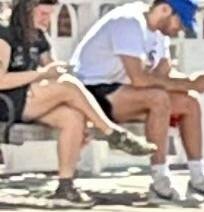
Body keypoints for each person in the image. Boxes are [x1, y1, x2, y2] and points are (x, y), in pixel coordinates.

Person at [69, 0, 204, 203]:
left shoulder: (160, 33)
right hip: (90, 94)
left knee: (190, 102)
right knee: (158, 98)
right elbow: (139, 79)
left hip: (123, 92)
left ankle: (199, 178)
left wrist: (195, 81)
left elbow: (164, 76)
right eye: (180, 23)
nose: (181, 30)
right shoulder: (129, 22)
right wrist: (190, 83)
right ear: (165, 9)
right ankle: (160, 180)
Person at [4, 0, 148, 201]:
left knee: (72, 117)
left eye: (50, 15)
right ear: (27, 11)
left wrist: (56, 71)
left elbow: (52, 71)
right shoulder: (5, 35)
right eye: (43, 14)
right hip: (7, 102)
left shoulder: (40, 37)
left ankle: (66, 185)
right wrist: (41, 75)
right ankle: (111, 133)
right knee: (67, 85)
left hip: (32, 100)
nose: (47, 20)